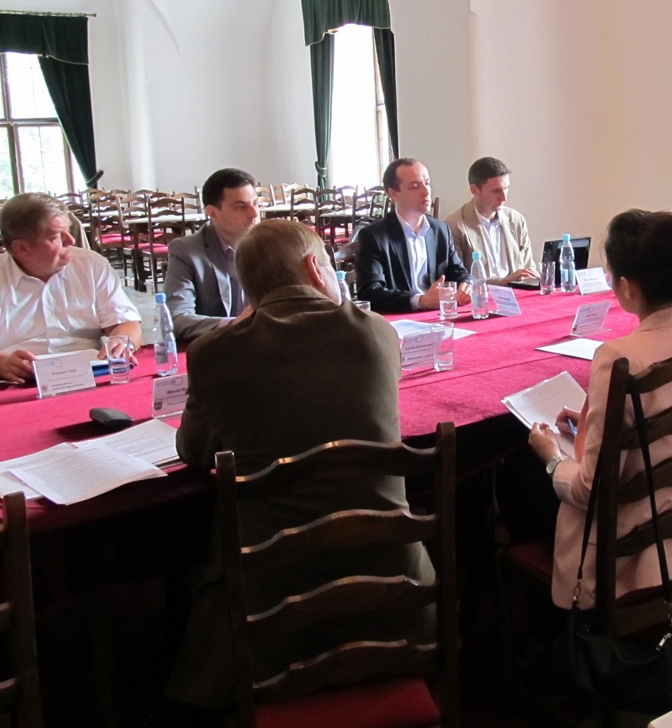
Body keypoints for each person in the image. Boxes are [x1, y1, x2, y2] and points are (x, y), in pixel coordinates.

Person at [164, 219, 435, 713]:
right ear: (315, 268)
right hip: (393, 593)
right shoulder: (376, 334)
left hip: (272, 610)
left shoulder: (215, 354)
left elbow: (195, 452)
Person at [522, 209, 672, 608]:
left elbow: (589, 490)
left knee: (523, 473)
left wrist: (552, 457)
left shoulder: (618, 356)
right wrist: (593, 422)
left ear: (626, 286)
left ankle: (550, 626)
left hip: (629, 546)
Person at [0, 193, 142, 383]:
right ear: (22, 248)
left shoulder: (91, 265)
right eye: (56, 236)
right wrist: (0, 363)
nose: (71, 240)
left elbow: (126, 323)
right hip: (21, 379)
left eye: (68, 230)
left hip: (90, 372)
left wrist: (121, 342)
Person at [354, 157, 472, 313]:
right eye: (415, 186)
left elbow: (457, 272)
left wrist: (465, 285)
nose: (426, 192)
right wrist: (420, 301)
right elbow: (370, 293)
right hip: (399, 317)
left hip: (437, 315)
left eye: (427, 183)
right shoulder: (374, 236)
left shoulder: (440, 230)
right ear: (393, 193)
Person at [163, 168, 260, 342]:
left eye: (256, 203)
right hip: (218, 347)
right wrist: (234, 325)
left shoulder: (271, 244)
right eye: (240, 207)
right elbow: (176, 318)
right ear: (212, 213)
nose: (254, 214)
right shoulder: (186, 251)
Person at [444, 156, 538, 285]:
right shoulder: (454, 226)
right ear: (475, 190)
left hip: (519, 292)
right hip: (480, 295)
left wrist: (533, 276)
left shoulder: (516, 219)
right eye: (496, 191)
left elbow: (528, 267)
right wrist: (503, 282)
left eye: (506, 188)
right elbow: (459, 281)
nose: (504, 197)